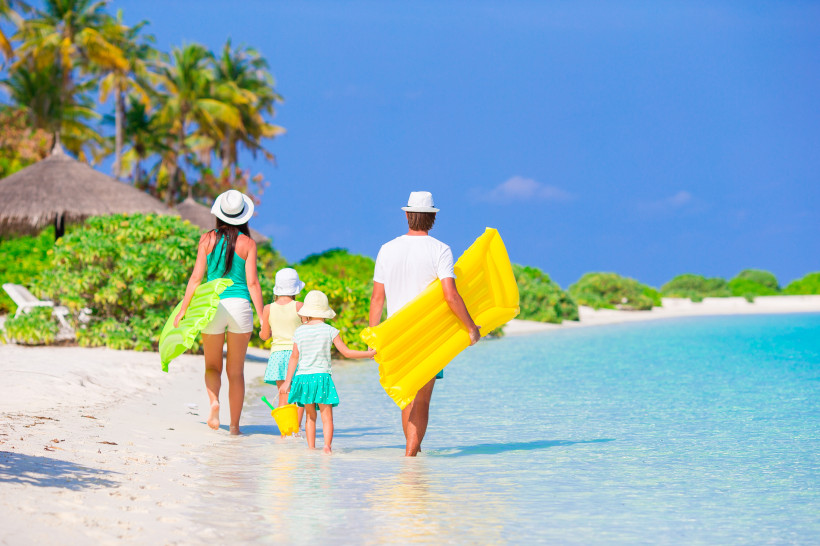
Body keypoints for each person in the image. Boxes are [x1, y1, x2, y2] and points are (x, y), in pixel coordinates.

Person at [369, 191, 481, 456]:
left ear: (407, 215)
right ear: (432, 218)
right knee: (422, 399)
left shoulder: (387, 248)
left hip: (396, 333)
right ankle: (411, 453)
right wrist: (470, 327)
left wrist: (374, 336)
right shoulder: (440, 249)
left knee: (405, 395)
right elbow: (450, 295)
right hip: (429, 335)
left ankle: (411, 454)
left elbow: (377, 298)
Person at [175, 189, 264, 435]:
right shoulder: (248, 244)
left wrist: (183, 310)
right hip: (240, 307)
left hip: (212, 305)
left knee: (212, 366)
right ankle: (234, 428)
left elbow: (195, 278)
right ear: (243, 216)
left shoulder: (207, 240)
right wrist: (263, 317)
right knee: (236, 371)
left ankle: (214, 402)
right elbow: (253, 284)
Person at [279, 290, 375, 454]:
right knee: (327, 416)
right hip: (322, 377)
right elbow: (346, 353)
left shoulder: (299, 332)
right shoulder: (330, 330)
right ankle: (327, 447)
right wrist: (369, 354)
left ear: (307, 312)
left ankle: (311, 448)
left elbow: (294, 357)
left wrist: (288, 381)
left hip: (303, 379)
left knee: (310, 416)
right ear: (325, 311)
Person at [260, 268, 305, 423]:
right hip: (297, 355)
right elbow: (307, 331)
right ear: (296, 289)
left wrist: (264, 330)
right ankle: (296, 430)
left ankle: (284, 432)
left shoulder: (268, 308)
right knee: (299, 397)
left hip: (278, 355)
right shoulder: (300, 306)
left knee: (283, 394)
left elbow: (265, 336)